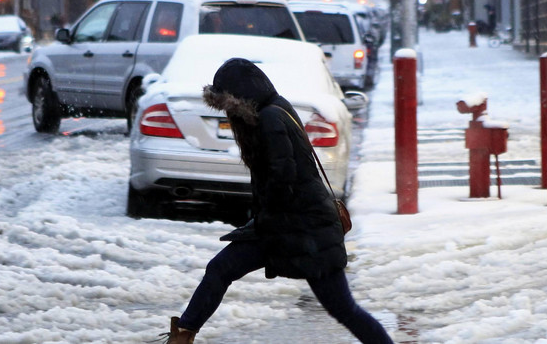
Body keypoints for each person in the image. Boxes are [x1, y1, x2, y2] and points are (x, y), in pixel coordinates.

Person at [160, 58, 393, 343]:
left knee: (343, 308)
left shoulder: (270, 118)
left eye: (228, 106)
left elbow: (283, 177)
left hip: (304, 229)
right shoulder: (276, 109)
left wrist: (263, 219)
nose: (228, 116)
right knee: (221, 269)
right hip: (288, 225)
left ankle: (184, 333)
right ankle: (183, 334)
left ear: (240, 98)